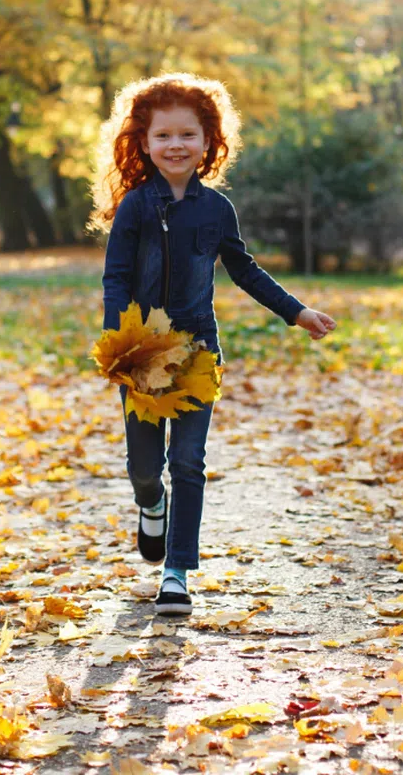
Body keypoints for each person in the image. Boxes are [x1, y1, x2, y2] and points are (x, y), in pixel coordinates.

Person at [90, 72, 336, 617]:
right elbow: (116, 276)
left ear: (209, 142)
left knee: (189, 461)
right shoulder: (134, 207)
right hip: (143, 352)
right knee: (144, 467)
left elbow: (244, 270)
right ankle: (149, 505)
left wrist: (296, 312)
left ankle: (176, 572)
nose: (175, 146)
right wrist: (119, 339)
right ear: (144, 142)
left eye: (188, 135)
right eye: (163, 136)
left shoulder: (217, 211)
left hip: (199, 351)